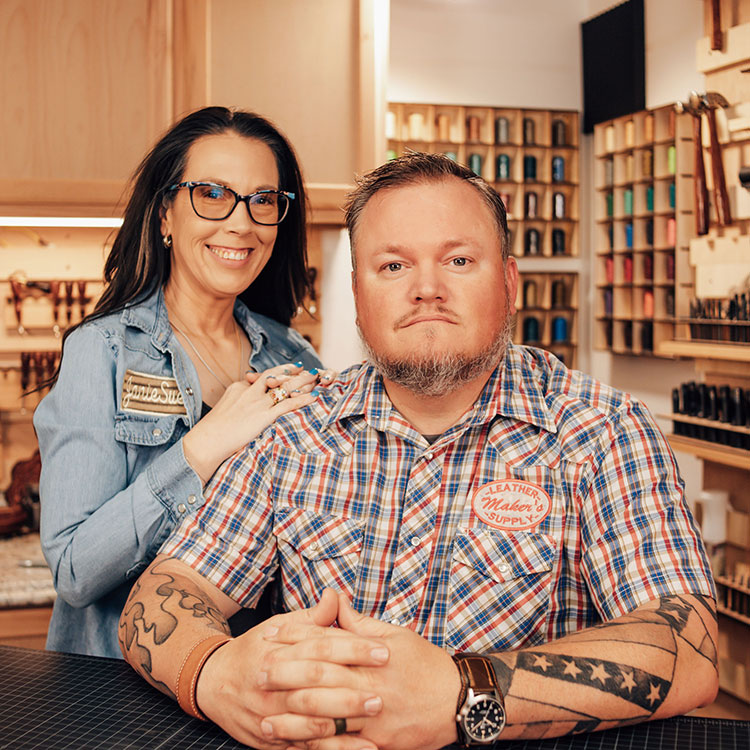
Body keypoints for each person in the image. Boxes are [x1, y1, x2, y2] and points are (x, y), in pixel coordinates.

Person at [119, 152, 718, 750]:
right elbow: (165, 589)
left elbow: (689, 648)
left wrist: (465, 693)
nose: (426, 290)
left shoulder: (601, 432)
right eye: (393, 265)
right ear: (358, 294)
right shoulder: (293, 430)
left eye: (458, 261)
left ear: (509, 284)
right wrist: (214, 674)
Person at [35, 106, 332, 659]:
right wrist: (201, 450)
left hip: (244, 687)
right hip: (115, 694)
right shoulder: (102, 353)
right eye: (212, 193)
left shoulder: (296, 359)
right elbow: (75, 570)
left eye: (263, 200)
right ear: (166, 215)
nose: (241, 222)